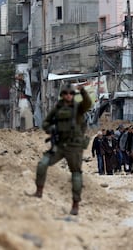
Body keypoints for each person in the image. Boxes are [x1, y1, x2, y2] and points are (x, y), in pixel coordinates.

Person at [32, 83, 91, 216]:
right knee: (42, 164)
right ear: (62, 95)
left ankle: (75, 204)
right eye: (66, 93)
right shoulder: (57, 108)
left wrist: (82, 91)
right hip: (59, 145)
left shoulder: (78, 108)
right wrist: (51, 129)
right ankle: (39, 191)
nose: (68, 96)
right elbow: (46, 122)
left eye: (71, 93)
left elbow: (87, 104)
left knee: (76, 174)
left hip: (74, 147)